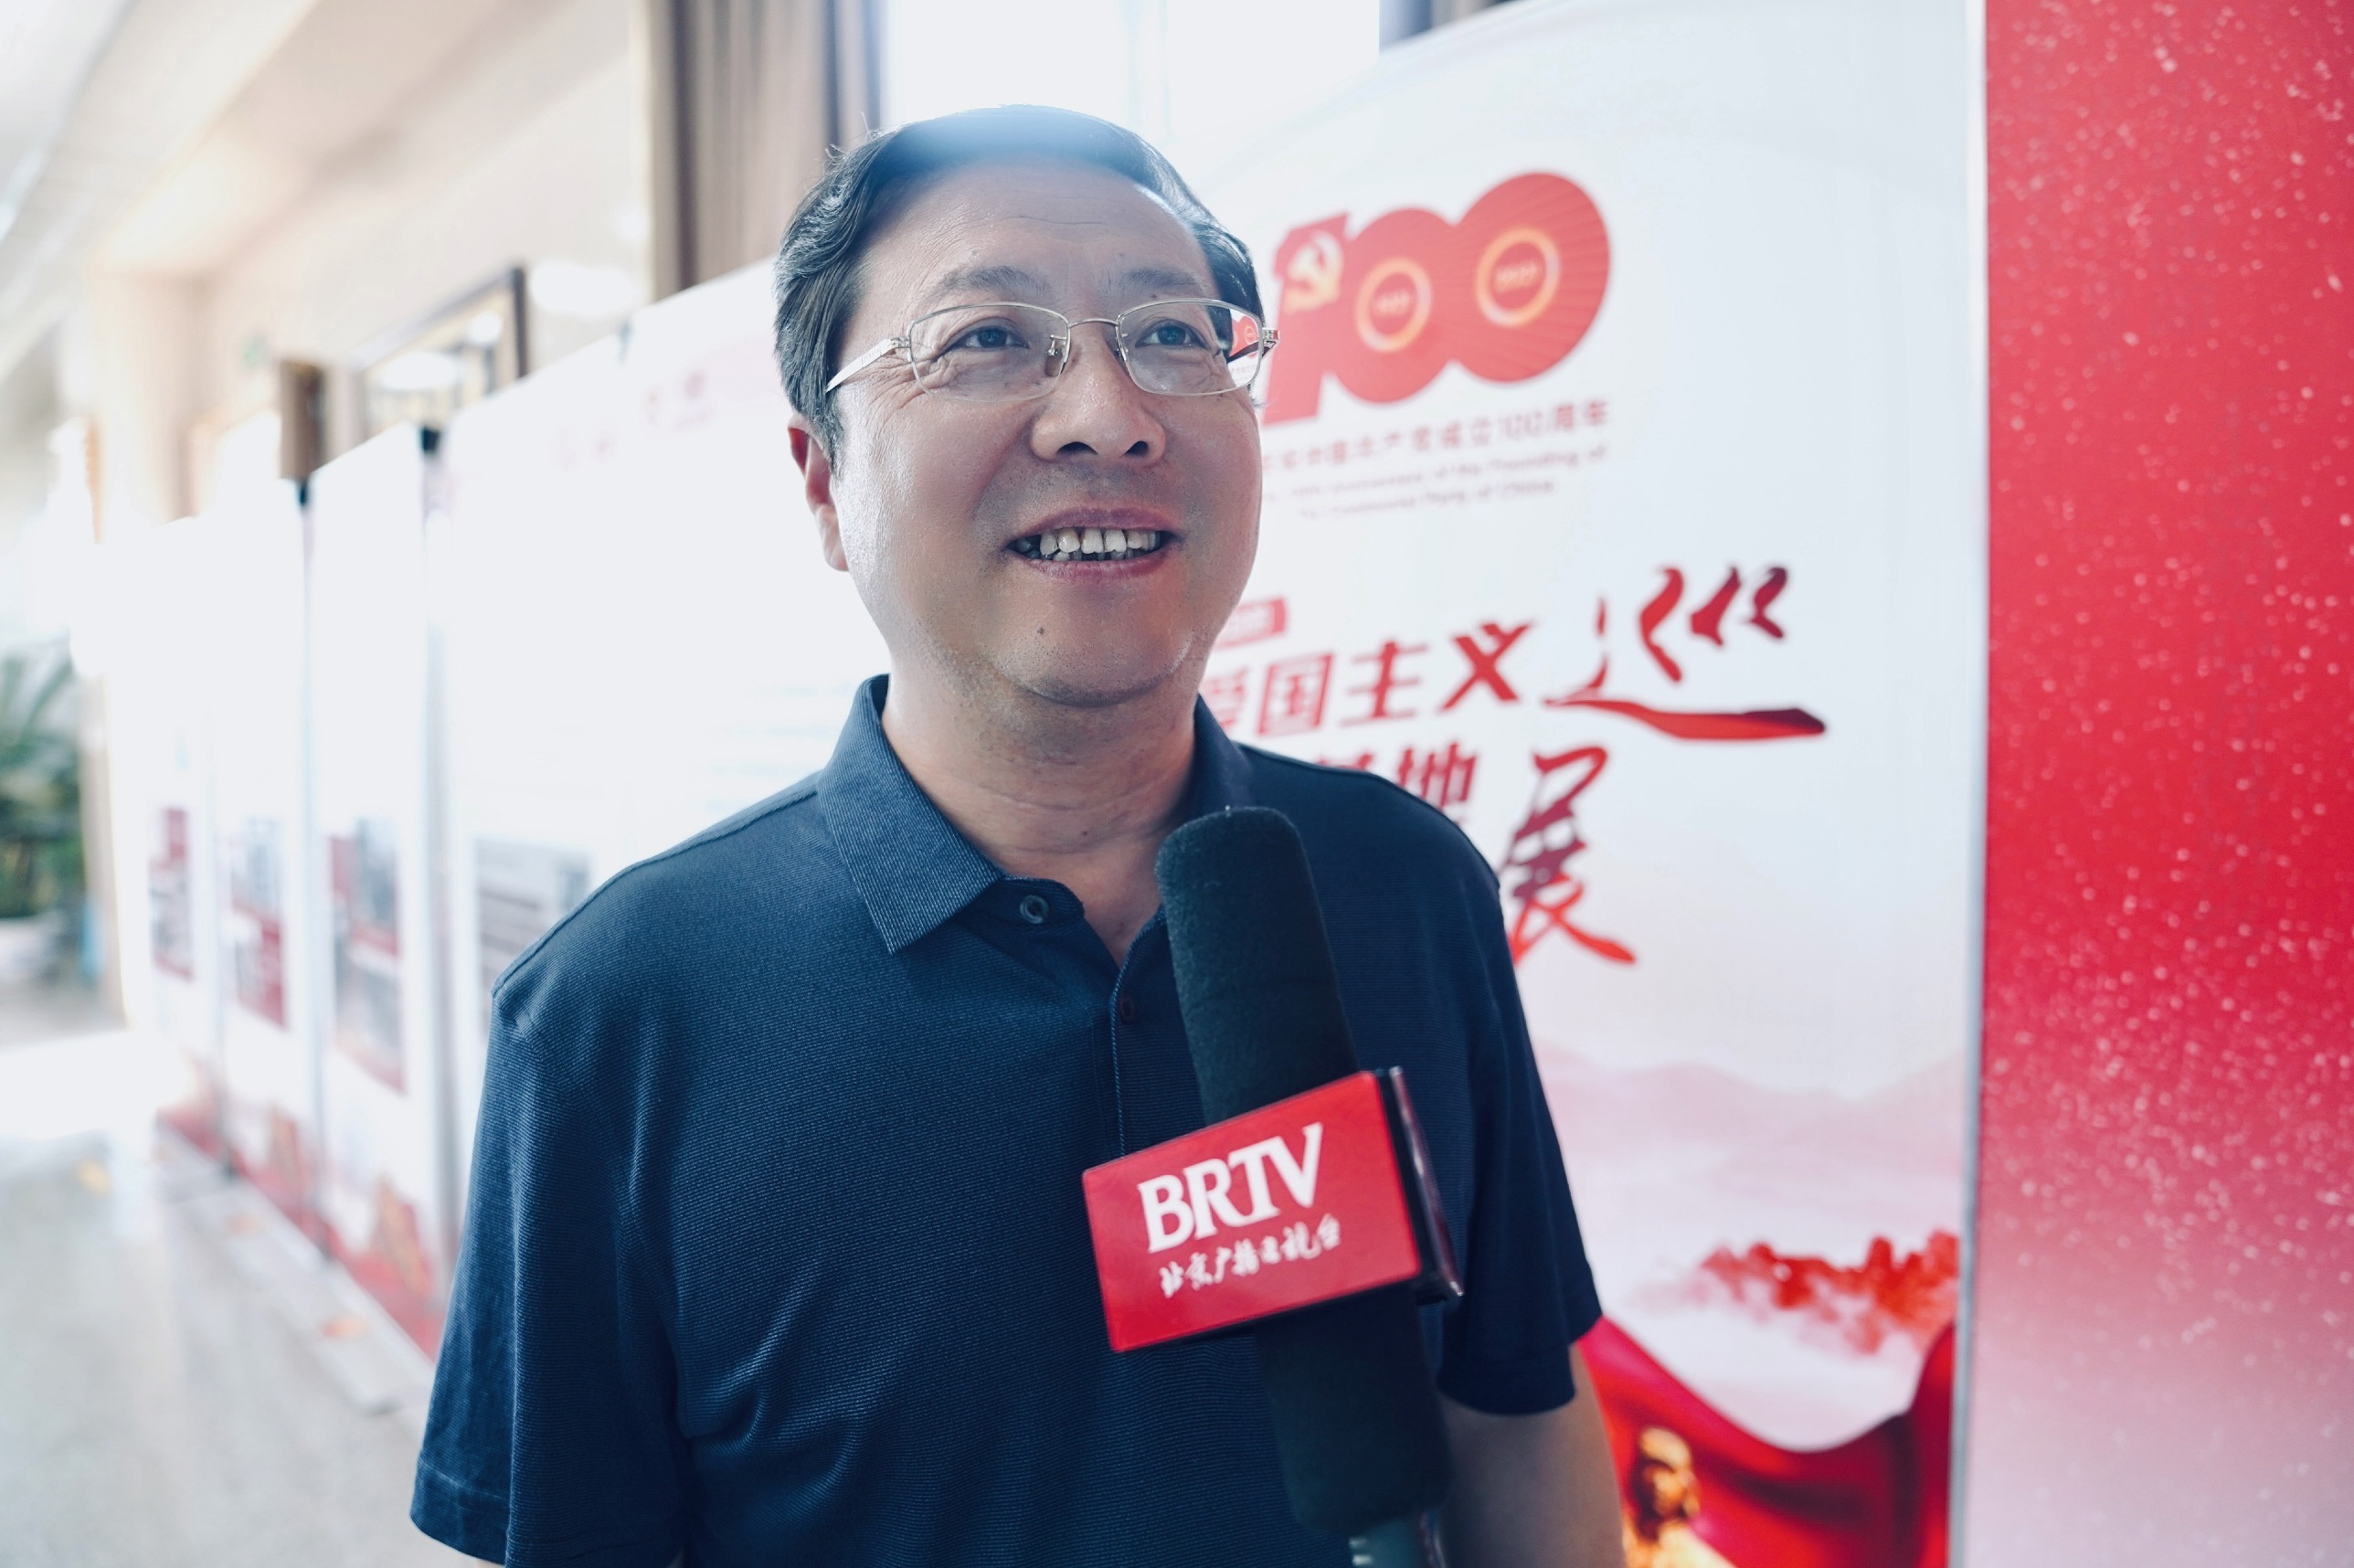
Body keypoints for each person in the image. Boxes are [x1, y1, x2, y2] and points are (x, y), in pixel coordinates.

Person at [411, 105, 1624, 1568]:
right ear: (823, 483)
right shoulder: (619, 1014)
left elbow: (1514, 1410)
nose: (1109, 413)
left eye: (1173, 335)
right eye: (988, 339)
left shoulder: (1404, 883)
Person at [1621, 1427, 1735, 1568]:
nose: (1658, 1484)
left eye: (1669, 1473)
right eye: (1651, 1471)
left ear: (1686, 1484)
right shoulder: (1615, 1532)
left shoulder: (1697, 1560)